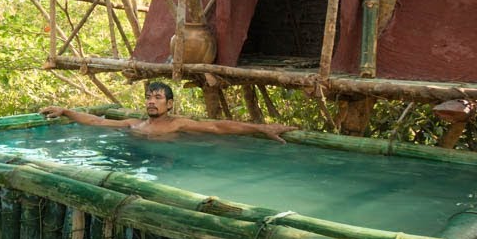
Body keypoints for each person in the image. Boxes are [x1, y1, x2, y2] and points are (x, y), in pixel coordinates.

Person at [41, 81, 296, 140]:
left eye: (158, 98)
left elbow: (217, 127)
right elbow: (96, 122)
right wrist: (65, 110)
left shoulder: (177, 124)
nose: (152, 102)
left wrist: (260, 128)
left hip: (168, 163)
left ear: (169, 104)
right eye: (149, 98)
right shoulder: (134, 124)